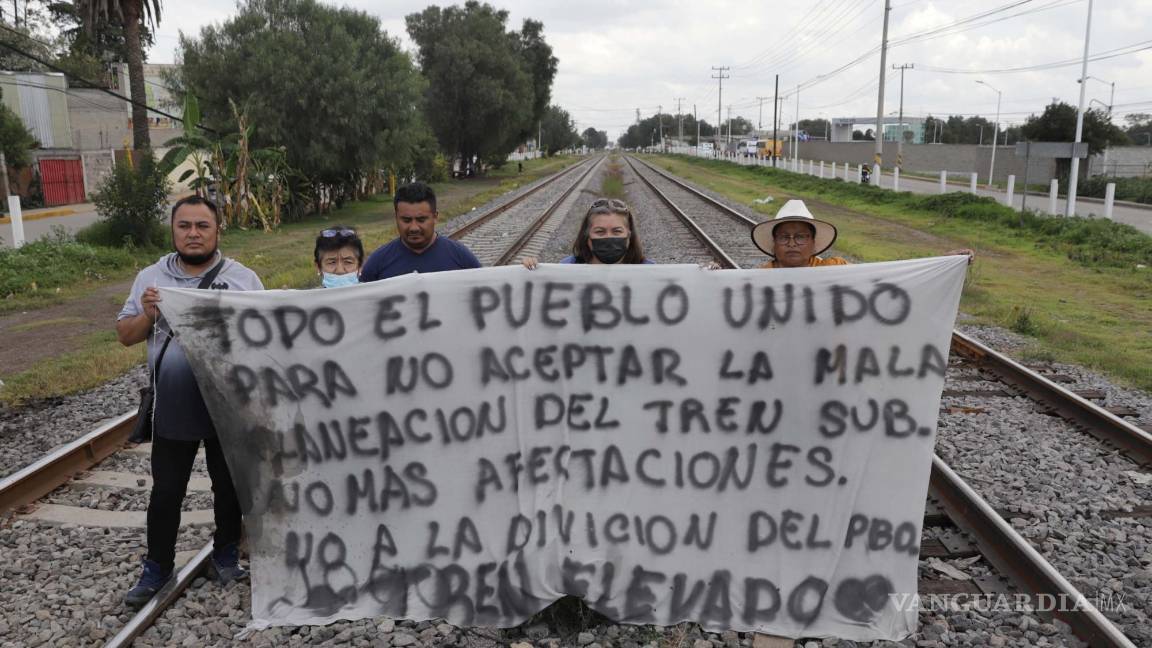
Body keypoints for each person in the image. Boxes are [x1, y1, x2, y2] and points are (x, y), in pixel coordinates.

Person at [116, 195, 264, 608]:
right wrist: (148, 313)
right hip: (174, 405)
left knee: (229, 486)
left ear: (218, 231)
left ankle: (226, 554)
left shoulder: (243, 279)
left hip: (228, 405)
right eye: (185, 226)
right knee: (166, 491)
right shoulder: (151, 277)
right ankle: (157, 566)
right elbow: (125, 335)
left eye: (202, 225)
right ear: (173, 230)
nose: (193, 233)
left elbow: (264, 338)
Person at [750, 199, 973, 269]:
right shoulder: (758, 277)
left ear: (813, 243)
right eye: (784, 237)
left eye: (800, 237)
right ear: (774, 244)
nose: (792, 243)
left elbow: (885, 278)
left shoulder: (835, 269)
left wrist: (944, 262)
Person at [360, 182, 481, 282]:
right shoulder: (377, 264)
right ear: (396, 218)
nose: (414, 227)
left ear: (435, 217)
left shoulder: (462, 259)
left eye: (421, 220)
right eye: (406, 220)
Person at [522, 198, 653, 268]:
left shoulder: (650, 270)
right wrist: (530, 270)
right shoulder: (567, 267)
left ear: (629, 235)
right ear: (587, 236)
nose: (608, 237)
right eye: (600, 232)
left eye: (617, 231)